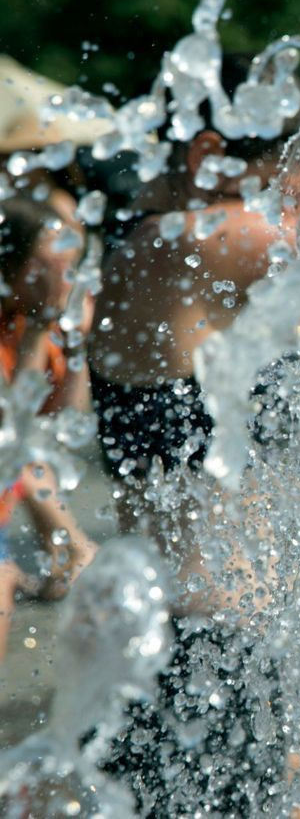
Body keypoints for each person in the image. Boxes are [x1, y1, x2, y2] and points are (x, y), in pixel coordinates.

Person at [88, 57, 300, 814]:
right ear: (208, 155)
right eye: (274, 174)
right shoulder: (193, 242)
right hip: (209, 650)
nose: (278, 194)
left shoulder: (140, 244)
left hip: (175, 636)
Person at [0, 195, 98, 663]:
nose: (62, 282)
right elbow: (9, 428)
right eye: (45, 270)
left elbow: (66, 416)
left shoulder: (33, 316)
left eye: (69, 267)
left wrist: (79, 344)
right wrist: (40, 330)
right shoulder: (18, 323)